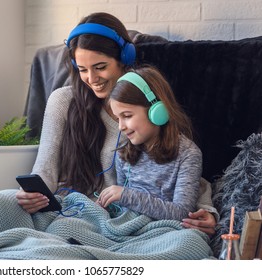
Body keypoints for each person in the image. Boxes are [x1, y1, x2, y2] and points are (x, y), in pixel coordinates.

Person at [15, 12, 218, 234]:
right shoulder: (62, 101)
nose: (91, 79)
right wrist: (31, 194)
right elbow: (45, 170)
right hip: (67, 208)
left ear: (124, 58)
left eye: (100, 67)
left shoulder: (146, 107)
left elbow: (176, 171)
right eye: (82, 69)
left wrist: (206, 209)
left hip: (108, 219)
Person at [97, 66, 202, 221]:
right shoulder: (123, 154)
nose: (121, 126)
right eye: (118, 118)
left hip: (164, 232)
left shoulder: (188, 154)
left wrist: (126, 195)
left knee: (191, 241)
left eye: (127, 116)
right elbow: (123, 208)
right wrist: (108, 205)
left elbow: (182, 214)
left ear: (157, 111)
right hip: (128, 227)